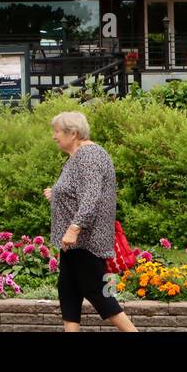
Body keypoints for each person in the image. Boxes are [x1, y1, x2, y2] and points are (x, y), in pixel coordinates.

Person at [44, 111, 137, 332]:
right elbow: (77, 191)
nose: (54, 136)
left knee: (98, 292)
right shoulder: (77, 157)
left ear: (73, 133)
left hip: (86, 241)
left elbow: (91, 196)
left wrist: (74, 229)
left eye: (57, 131)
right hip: (73, 244)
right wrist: (55, 194)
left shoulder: (89, 156)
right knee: (68, 291)